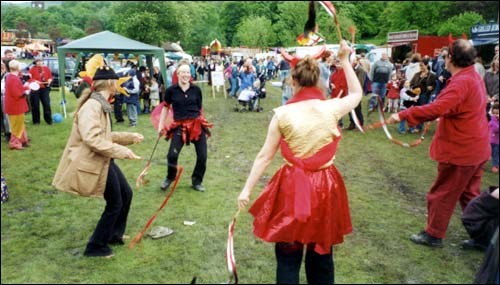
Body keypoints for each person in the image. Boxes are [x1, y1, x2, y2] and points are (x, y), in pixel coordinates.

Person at [237, 40, 362, 284]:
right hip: (325, 187)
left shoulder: (282, 115)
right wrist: (346, 61)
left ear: (293, 82)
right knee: (321, 253)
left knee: (288, 255)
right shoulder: (331, 108)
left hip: (292, 186)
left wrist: (246, 189)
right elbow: (357, 94)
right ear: (318, 81)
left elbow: (265, 156)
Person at [389, 39, 491, 247]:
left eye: (445, 55)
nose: (443, 58)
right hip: (476, 148)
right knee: (469, 195)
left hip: (462, 151)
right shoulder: (471, 76)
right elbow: (452, 107)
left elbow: (438, 107)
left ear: (451, 58)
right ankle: (484, 237)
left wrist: (404, 114)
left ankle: (434, 234)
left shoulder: (463, 81)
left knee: (443, 193)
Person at [52, 66, 143, 258]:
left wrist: (129, 137)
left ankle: (114, 235)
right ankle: (95, 246)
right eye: (116, 81)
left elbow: (105, 135)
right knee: (115, 203)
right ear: (110, 83)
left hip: (103, 158)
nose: (118, 85)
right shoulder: (92, 106)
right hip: (93, 160)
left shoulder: (100, 103)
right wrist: (122, 151)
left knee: (125, 194)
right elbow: (92, 139)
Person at [157, 62, 213, 192]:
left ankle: (196, 181)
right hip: (179, 126)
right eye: (183, 72)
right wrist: (161, 126)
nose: (186, 75)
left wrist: (202, 123)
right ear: (178, 74)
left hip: (196, 126)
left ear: (190, 74)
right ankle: (170, 177)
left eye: (188, 72)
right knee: (172, 155)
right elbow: (165, 108)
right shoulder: (171, 91)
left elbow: (199, 108)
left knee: (202, 156)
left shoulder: (196, 90)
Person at [4, 60, 30, 150]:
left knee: (20, 124)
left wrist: (26, 86)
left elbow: (18, 89)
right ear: (17, 68)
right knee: (16, 126)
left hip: (15, 105)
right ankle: (14, 143)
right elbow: (17, 93)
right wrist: (26, 92)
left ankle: (23, 140)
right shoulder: (13, 78)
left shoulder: (11, 77)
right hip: (15, 106)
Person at [28, 59, 53, 125]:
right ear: (35, 63)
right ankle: (36, 121)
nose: (39, 63)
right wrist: (35, 81)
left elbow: (50, 77)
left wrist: (50, 80)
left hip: (44, 89)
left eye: (40, 61)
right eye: (37, 61)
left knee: (46, 104)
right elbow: (29, 78)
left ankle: (49, 120)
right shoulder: (32, 69)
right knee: (35, 105)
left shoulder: (46, 68)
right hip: (35, 89)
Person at [488, 103, 499, 173]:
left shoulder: (494, 120)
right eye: (494, 113)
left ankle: (495, 166)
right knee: (487, 152)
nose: (495, 115)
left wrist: (494, 120)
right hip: (490, 140)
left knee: (495, 154)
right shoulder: (492, 120)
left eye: (497, 113)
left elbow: (496, 129)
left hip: (497, 142)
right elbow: (489, 127)